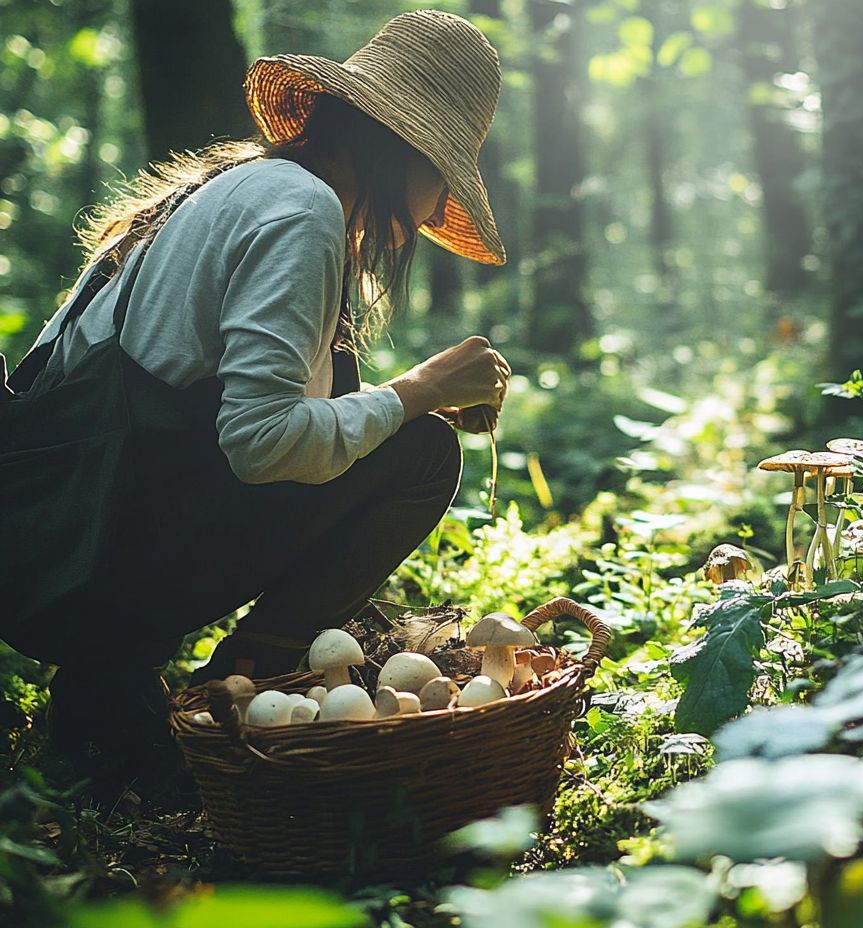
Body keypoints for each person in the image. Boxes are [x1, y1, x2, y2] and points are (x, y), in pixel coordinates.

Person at [0, 10, 510, 787]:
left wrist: (405, 400)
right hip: (96, 559)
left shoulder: (232, 187)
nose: (438, 208)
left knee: (409, 435)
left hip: (65, 536)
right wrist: (415, 394)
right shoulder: (302, 212)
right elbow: (263, 442)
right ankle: (226, 700)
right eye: (442, 174)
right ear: (399, 148)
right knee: (423, 458)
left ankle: (125, 686)